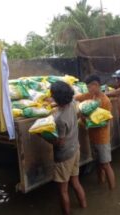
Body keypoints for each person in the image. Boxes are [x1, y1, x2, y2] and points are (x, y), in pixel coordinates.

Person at [48, 81, 87, 215]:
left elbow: (60, 142)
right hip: (75, 149)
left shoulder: (59, 119)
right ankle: (84, 207)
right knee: (75, 183)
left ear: (57, 97)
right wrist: (53, 104)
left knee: (63, 190)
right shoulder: (72, 105)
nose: (51, 96)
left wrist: (43, 136)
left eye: (52, 95)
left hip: (64, 156)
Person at [75, 74, 116, 190]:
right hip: (92, 137)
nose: (88, 90)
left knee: (106, 164)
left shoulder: (105, 101)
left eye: (89, 87)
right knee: (98, 163)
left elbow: (107, 121)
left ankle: (112, 191)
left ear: (96, 85)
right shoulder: (91, 96)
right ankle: (101, 182)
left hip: (102, 138)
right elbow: (78, 97)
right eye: (87, 88)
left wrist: (85, 119)